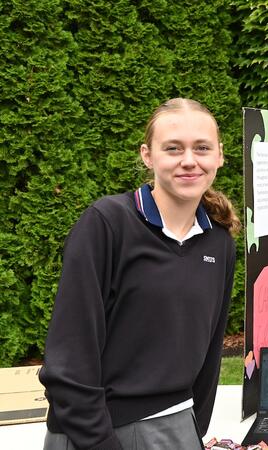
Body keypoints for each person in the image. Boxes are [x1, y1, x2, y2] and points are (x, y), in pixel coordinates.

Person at [39, 98, 240, 450]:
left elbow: (209, 353)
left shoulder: (218, 243)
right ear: (148, 155)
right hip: (95, 433)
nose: (189, 161)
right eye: (173, 148)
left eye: (202, 148)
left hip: (177, 428)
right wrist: (99, 442)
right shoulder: (107, 224)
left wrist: (193, 430)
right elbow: (69, 358)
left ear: (219, 155)